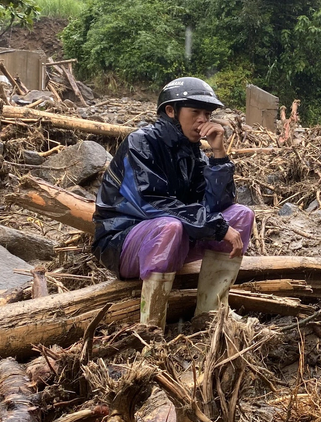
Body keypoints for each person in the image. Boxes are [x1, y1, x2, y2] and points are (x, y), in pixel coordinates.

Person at [93, 77, 254, 330]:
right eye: (195, 112)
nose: (203, 119)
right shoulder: (141, 143)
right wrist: (219, 228)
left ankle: (210, 314)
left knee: (241, 215)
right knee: (169, 226)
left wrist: (219, 155)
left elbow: (219, 205)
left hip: (174, 239)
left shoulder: (194, 152)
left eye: (207, 113)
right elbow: (153, 203)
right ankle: (151, 327)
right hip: (122, 241)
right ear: (171, 111)